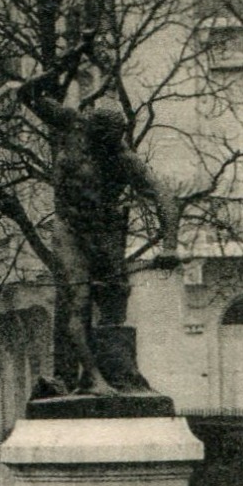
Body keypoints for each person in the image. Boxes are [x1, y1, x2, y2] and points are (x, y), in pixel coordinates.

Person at [15, 40, 165, 396]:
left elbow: (162, 196)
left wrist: (170, 243)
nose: (107, 149)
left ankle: (110, 375)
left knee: (114, 303)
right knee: (79, 301)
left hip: (103, 230)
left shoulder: (121, 155)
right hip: (69, 227)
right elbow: (27, 93)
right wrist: (66, 60)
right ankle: (94, 378)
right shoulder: (71, 124)